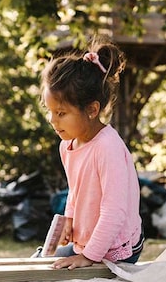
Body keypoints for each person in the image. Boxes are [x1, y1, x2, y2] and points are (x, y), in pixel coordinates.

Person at [40, 37, 144, 269]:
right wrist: (69, 218)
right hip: (89, 244)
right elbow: (76, 191)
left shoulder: (108, 147)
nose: (52, 120)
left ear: (92, 110)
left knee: (56, 270)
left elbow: (115, 211)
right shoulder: (67, 145)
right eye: (50, 111)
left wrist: (89, 256)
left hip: (119, 248)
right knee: (40, 261)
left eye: (61, 113)